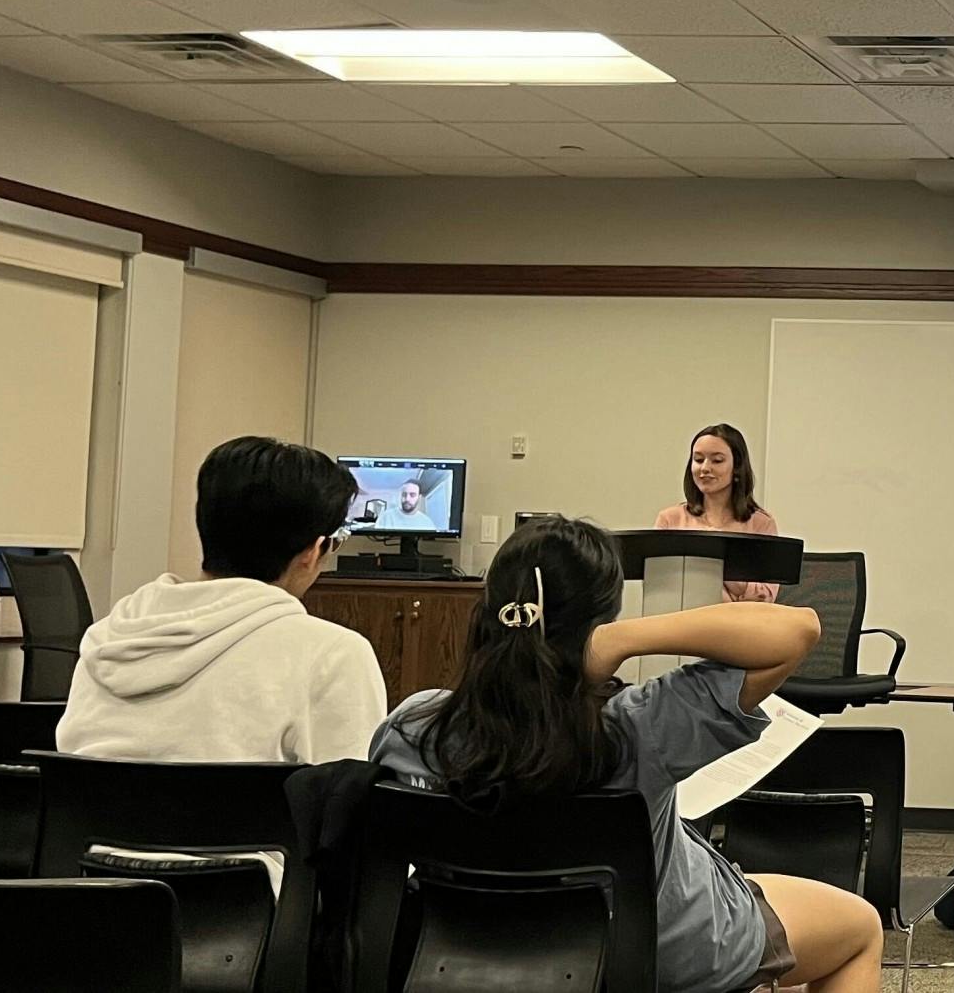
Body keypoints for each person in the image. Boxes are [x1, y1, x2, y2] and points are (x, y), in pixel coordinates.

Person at [369, 516, 882, 993]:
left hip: (465, 946)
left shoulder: (416, 727)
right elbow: (798, 630)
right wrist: (620, 639)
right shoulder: (641, 723)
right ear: (601, 618)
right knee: (860, 928)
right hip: (658, 949)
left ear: (487, 611)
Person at [58, 435, 387, 763]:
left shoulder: (108, 639)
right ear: (314, 550)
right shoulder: (333, 654)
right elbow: (349, 803)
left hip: (92, 816)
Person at [653, 423, 780, 602]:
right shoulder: (669, 519)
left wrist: (716, 559)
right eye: (698, 460)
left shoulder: (761, 523)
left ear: (737, 467)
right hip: (683, 621)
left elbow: (765, 596)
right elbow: (658, 586)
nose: (705, 468)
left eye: (717, 460)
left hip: (739, 624)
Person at [374, 477, 438, 531]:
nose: (407, 499)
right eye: (404, 494)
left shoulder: (427, 522)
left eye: (412, 495)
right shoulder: (385, 516)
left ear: (419, 497)